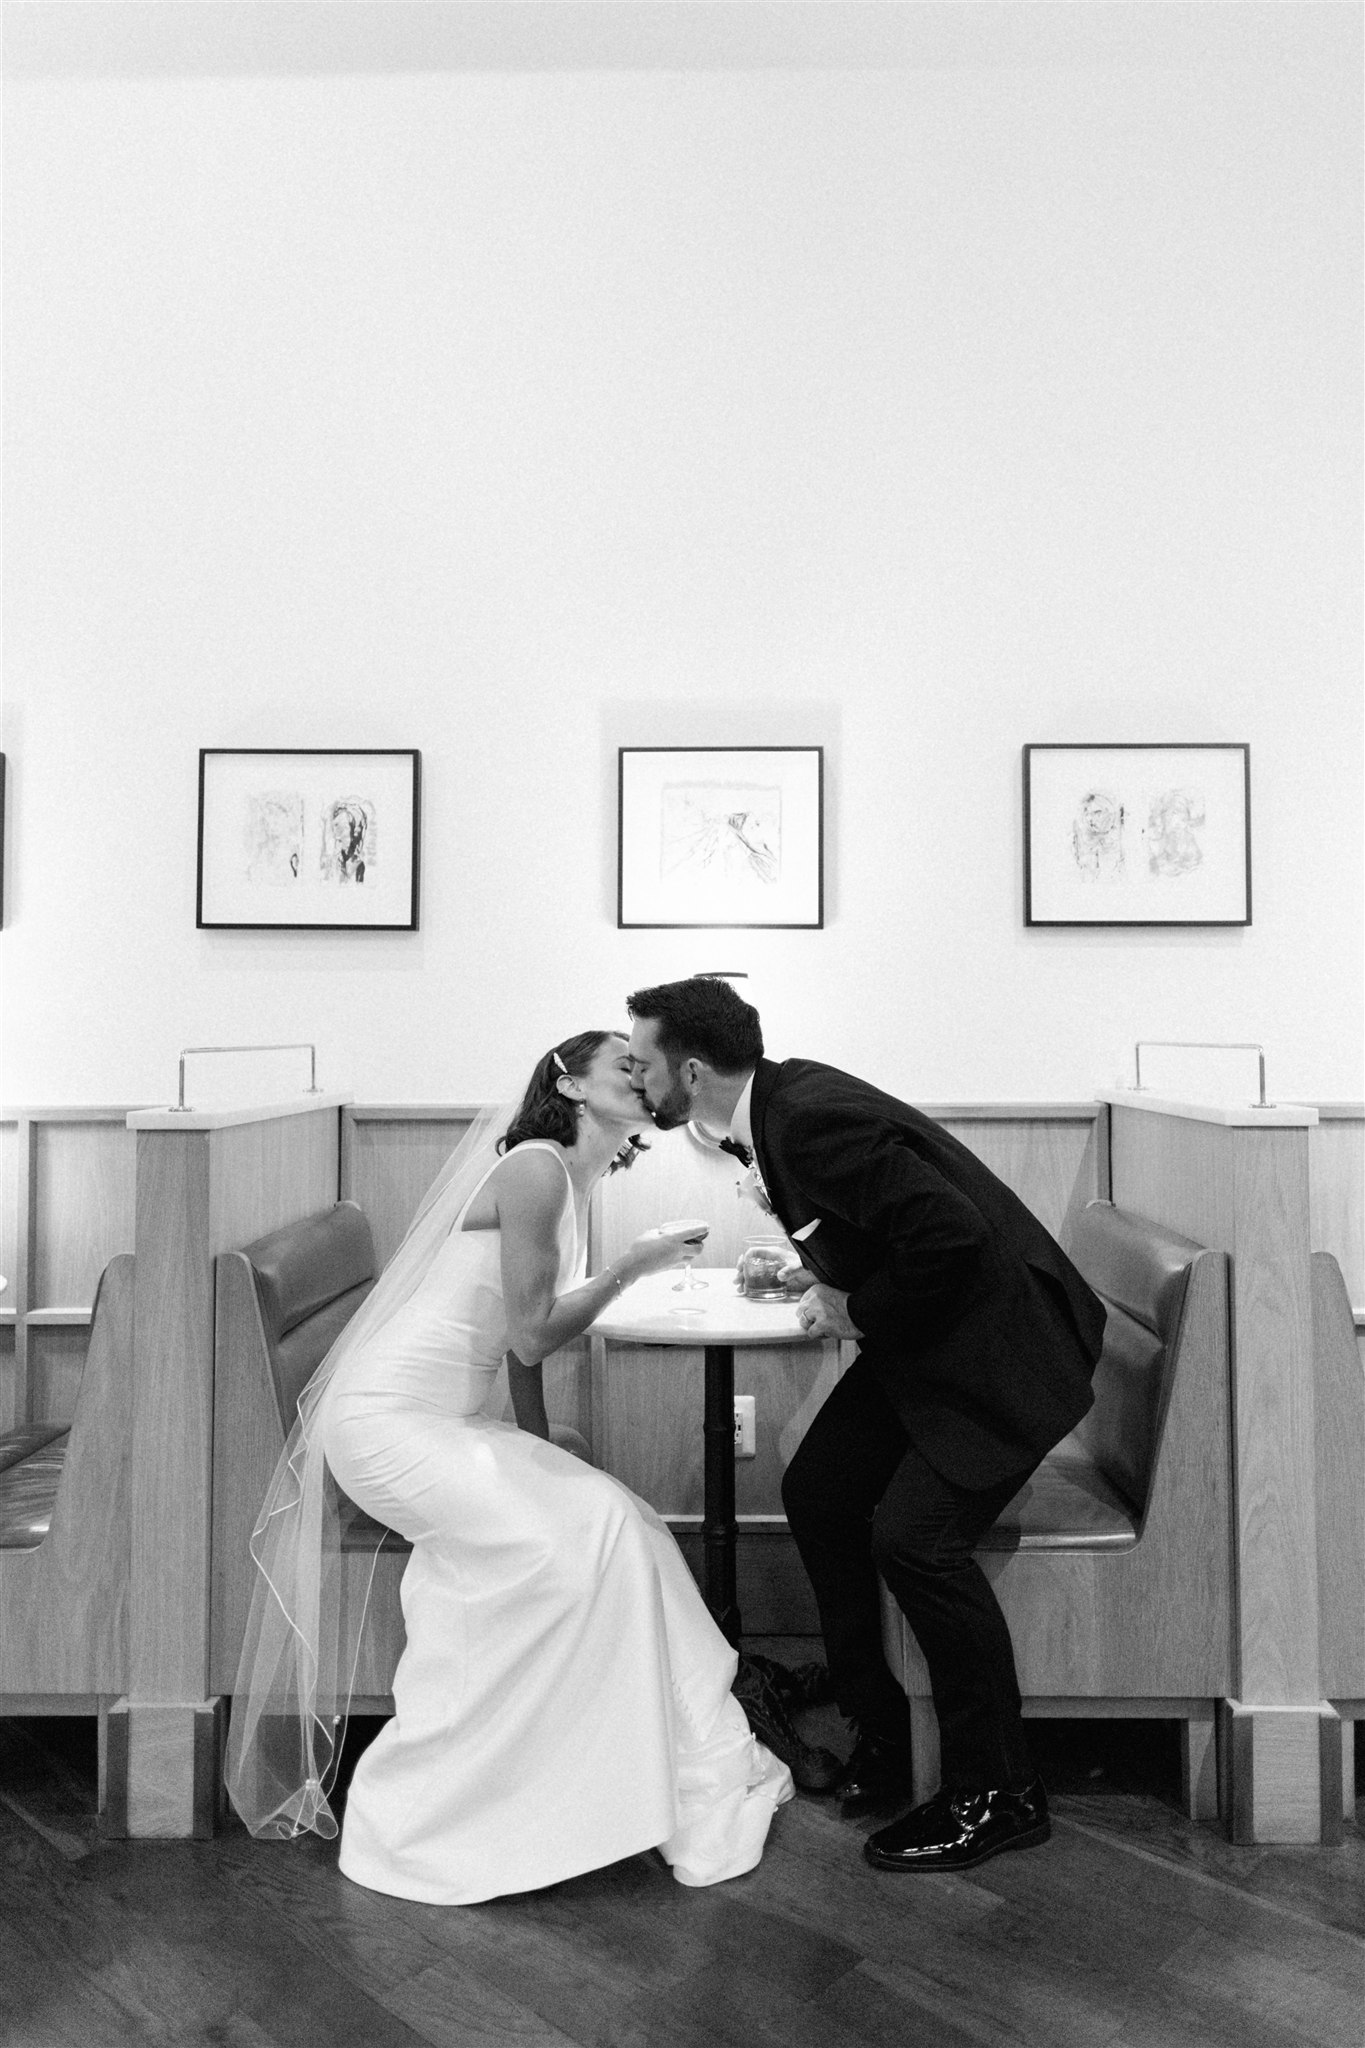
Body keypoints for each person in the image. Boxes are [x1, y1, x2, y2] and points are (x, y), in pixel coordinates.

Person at [225, 1029, 792, 1903]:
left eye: (644, 1068)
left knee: (627, 1519)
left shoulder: (573, 1176)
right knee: (573, 1543)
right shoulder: (532, 1168)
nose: (642, 1079)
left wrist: (538, 1439)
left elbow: (519, 1349)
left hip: (446, 1423)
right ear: (567, 1082)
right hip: (387, 1426)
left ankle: (654, 1759)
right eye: (623, 1066)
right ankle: (466, 1799)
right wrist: (635, 1266)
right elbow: (532, 1331)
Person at [625, 978, 1107, 1875]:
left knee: (913, 1540)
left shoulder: (804, 1117)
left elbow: (950, 1237)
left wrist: (853, 1302)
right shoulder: (781, 1106)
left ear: (690, 1070)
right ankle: (877, 1724)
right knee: (817, 1490)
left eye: (643, 1060)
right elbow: (880, 1219)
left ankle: (998, 1792)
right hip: (935, 1347)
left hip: (1004, 1358)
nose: (636, 1076)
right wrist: (823, 1268)